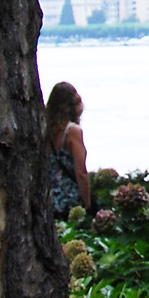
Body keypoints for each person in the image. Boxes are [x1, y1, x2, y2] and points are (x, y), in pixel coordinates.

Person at [45, 81, 89, 218]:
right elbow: (80, 172)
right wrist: (88, 203)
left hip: (48, 198)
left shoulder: (44, 129)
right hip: (69, 198)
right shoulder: (72, 131)